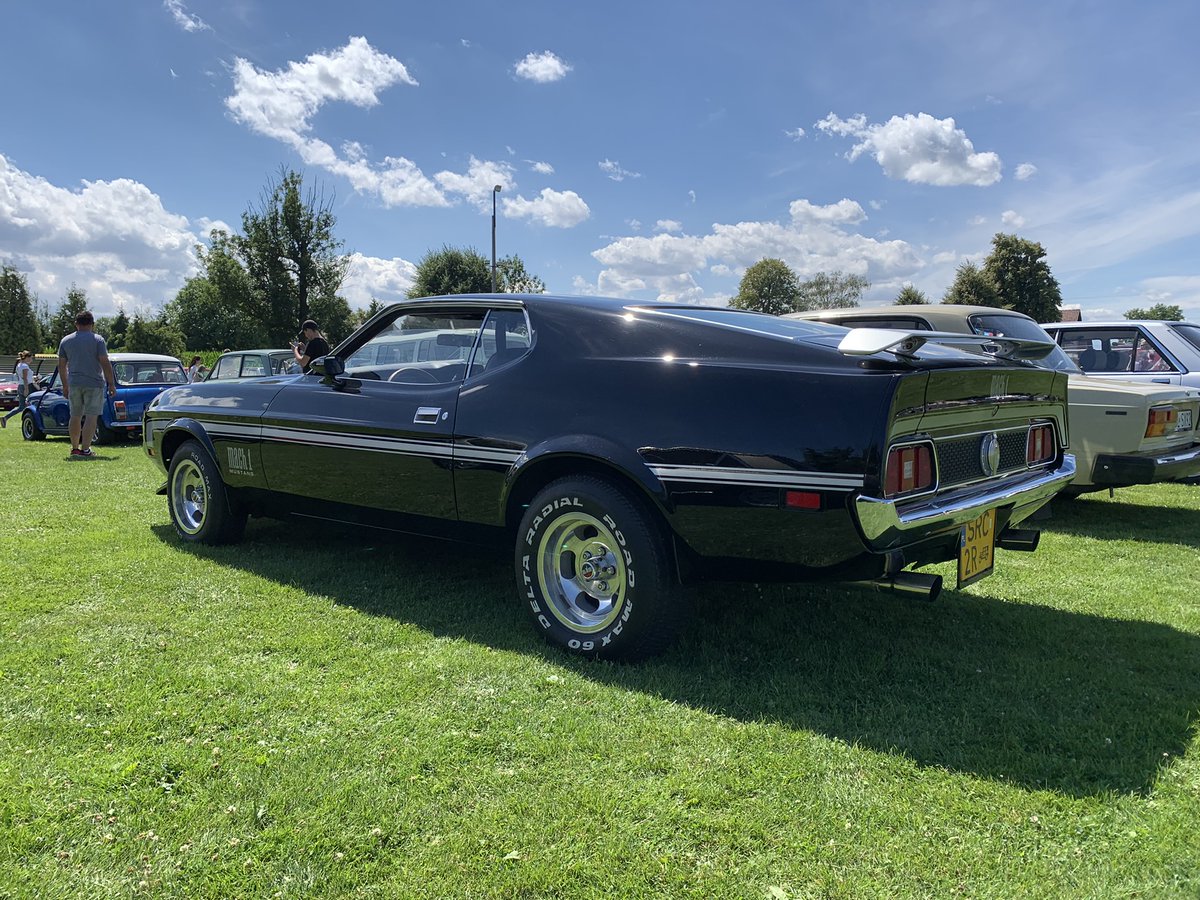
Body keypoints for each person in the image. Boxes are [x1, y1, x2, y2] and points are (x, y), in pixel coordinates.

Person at [57, 310, 117, 459]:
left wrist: (65, 385)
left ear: (76, 324)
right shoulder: (98, 340)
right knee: (91, 416)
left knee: (75, 416)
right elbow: (104, 362)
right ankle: (86, 449)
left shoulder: (66, 341)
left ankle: (75, 448)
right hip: (94, 383)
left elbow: (62, 365)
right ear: (92, 324)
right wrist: (111, 383)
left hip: (74, 383)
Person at [1, 350, 36, 428]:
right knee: (34, 403)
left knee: (21, 407)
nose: (31, 360)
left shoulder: (19, 365)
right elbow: (25, 378)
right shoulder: (25, 366)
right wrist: (26, 389)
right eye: (31, 358)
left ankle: (5, 418)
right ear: (27, 357)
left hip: (20, 386)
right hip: (26, 386)